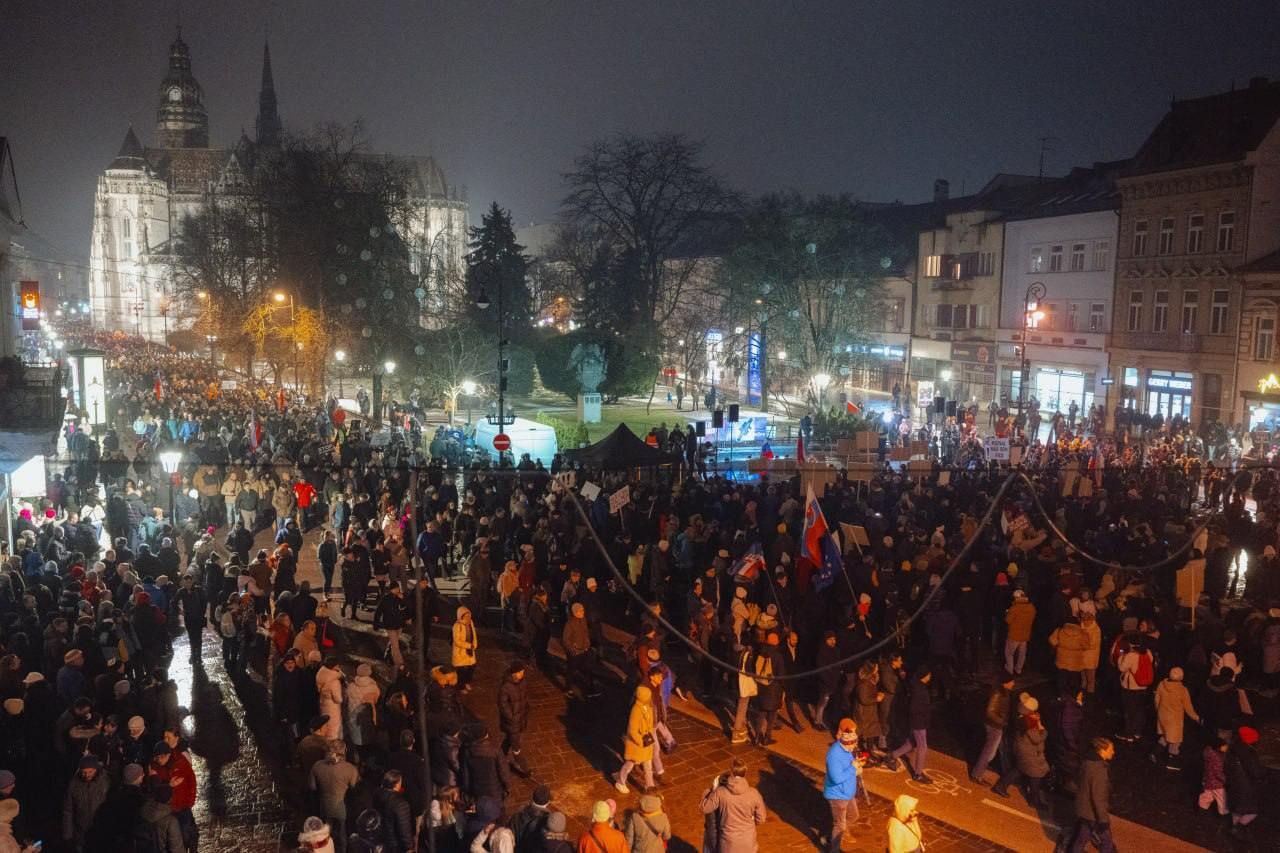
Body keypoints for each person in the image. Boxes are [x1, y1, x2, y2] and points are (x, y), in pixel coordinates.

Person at [698, 760, 765, 853]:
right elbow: (761, 819)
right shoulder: (754, 793)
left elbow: (704, 808)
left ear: (731, 772)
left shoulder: (720, 793)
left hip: (728, 844)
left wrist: (713, 790)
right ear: (744, 773)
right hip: (748, 841)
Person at [1066, 737, 1115, 853]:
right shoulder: (1099, 771)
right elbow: (1098, 798)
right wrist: (1103, 819)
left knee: (1082, 837)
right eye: (1111, 749)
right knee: (1106, 841)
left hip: (1083, 808)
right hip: (1092, 814)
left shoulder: (1087, 761)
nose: (1113, 752)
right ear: (1102, 750)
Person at [310, 740, 359, 853]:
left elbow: (312, 787)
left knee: (326, 832)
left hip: (324, 806)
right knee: (342, 834)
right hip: (342, 808)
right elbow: (356, 789)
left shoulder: (317, 765)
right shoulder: (350, 768)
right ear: (343, 751)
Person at [823, 719, 863, 853]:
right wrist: (853, 769)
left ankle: (835, 835)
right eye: (853, 744)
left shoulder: (847, 750)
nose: (855, 746)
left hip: (847, 792)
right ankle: (834, 849)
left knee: (853, 816)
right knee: (839, 825)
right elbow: (836, 778)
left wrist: (856, 766)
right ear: (846, 743)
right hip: (838, 796)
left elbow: (848, 767)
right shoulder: (834, 755)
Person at [887, 668, 932, 783]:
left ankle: (892, 755)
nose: (929, 677)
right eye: (928, 675)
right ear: (924, 676)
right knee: (923, 747)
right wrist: (920, 720)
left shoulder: (916, 686)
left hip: (917, 721)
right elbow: (915, 707)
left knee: (911, 743)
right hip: (919, 723)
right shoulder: (920, 689)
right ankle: (918, 774)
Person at [970, 675, 1014, 782]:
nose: (1013, 684)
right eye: (1011, 682)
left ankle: (979, 771)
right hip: (994, 726)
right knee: (988, 751)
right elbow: (990, 712)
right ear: (1005, 683)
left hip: (996, 725)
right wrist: (1002, 722)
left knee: (991, 751)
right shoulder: (998, 693)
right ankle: (977, 774)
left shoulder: (1004, 692)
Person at [1152, 666, 1198, 769]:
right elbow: (1188, 707)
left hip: (1163, 715)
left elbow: (1156, 700)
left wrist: (1158, 711)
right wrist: (1196, 717)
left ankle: (1154, 753)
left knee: (1166, 735)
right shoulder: (1182, 690)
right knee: (1175, 740)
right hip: (1175, 719)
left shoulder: (1161, 684)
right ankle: (1172, 762)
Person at [614, 685, 656, 795]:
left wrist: (650, 737)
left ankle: (650, 786)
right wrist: (640, 742)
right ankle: (620, 781)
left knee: (648, 766)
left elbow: (651, 725)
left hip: (647, 743)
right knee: (629, 764)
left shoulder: (649, 708)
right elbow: (632, 730)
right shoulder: (636, 710)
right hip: (637, 745)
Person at [498, 661, 531, 776]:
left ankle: (500, 757)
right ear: (513, 673)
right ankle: (522, 767)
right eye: (519, 672)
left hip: (520, 717)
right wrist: (511, 717)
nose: (522, 674)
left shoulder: (523, 682)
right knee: (515, 743)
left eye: (522, 672)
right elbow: (502, 704)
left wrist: (526, 709)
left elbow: (525, 697)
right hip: (512, 721)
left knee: (509, 738)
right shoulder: (506, 687)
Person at [506, 784, 552, 850]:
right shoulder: (549, 821)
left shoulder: (518, 813)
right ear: (548, 802)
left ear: (532, 798)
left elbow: (509, 833)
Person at [452, 607, 478, 693]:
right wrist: (469, 645)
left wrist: (474, 644)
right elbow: (457, 641)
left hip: (470, 651)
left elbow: (474, 634)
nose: (468, 618)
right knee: (461, 671)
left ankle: (467, 682)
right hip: (461, 651)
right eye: (466, 616)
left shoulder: (471, 623)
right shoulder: (457, 625)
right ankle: (461, 686)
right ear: (461, 616)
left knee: (472, 667)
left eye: (469, 616)